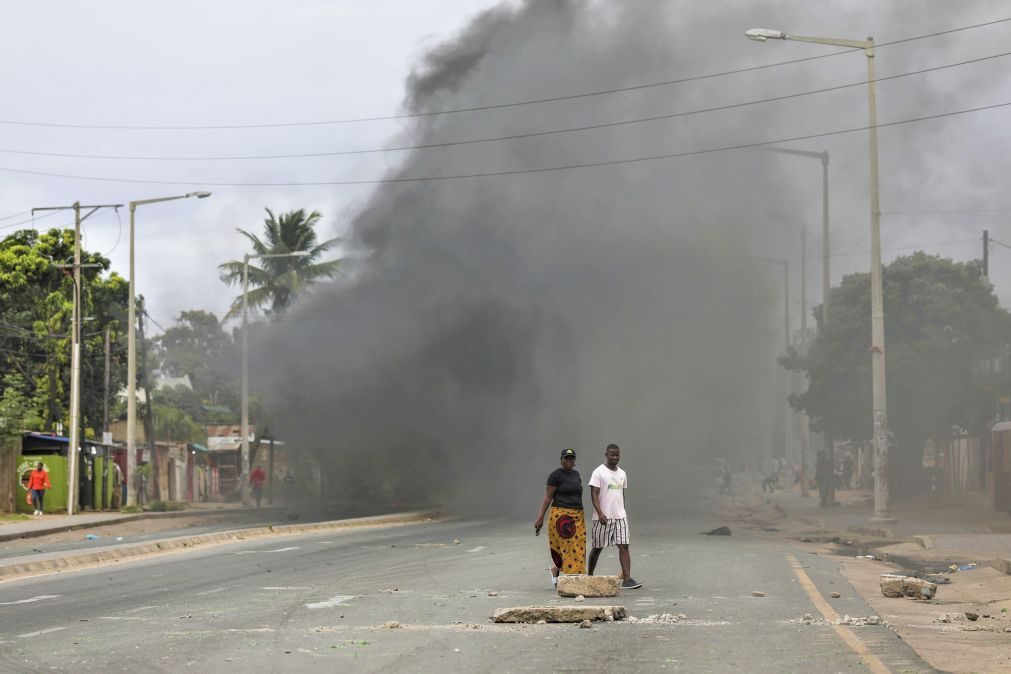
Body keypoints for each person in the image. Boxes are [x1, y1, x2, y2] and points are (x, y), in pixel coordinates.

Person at [588, 444, 641, 589]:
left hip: (620, 516)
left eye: (617, 455)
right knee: (597, 548)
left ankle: (627, 579)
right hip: (603, 517)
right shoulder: (598, 472)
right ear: (606, 454)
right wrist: (600, 513)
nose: (614, 458)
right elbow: (594, 493)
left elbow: (621, 494)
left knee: (624, 546)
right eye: (612, 455)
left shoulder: (622, 473)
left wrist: (622, 510)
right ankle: (590, 576)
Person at [534, 448, 586, 587]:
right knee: (568, 547)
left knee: (579, 546)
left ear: (574, 460)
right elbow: (547, 498)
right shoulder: (555, 476)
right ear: (561, 460)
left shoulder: (576, 474)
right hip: (561, 517)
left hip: (578, 515)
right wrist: (540, 518)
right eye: (566, 458)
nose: (569, 461)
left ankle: (557, 570)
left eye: (571, 458)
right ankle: (572, 580)